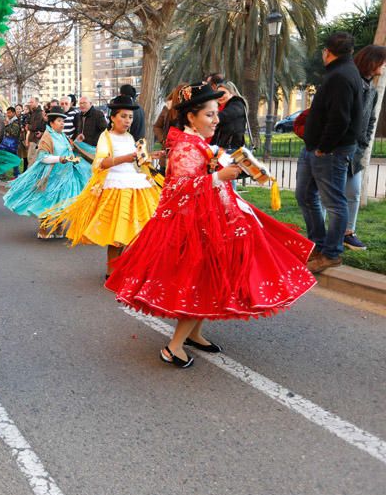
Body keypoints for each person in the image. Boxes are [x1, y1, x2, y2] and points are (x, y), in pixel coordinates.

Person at [105, 82, 316, 368]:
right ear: (191, 116)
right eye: (209, 115)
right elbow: (177, 189)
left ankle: (195, 334)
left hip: (214, 219)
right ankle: (173, 347)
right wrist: (219, 176)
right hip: (193, 226)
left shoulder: (198, 143)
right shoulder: (183, 148)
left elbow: (209, 168)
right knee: (201, 281)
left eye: (217, 114)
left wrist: (231, 167)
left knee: (213, 278)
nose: (216, 120)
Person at [43, 95, 162, 276]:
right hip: (114, 187)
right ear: (113, 117)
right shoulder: (106, 137)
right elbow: (101, 163)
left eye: (130, 117)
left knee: (136, 230)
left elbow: (136, 162)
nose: (127, 120)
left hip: (135, 186)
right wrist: (127, 157)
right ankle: (112, 272)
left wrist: (150, 156)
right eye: (123, 116)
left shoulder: (130, 137)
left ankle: (128, 269)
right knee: (117, 235)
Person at [297, 32, 364, 273]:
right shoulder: (342, 72)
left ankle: (331, 253)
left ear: (327, 52)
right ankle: (319, 244)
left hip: (329, 151)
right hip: (316, 148)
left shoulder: (341, 75)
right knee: (305, 195)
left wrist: (324, 148)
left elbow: (340, 119)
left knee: (334, 203)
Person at [3, 106, 92, 238]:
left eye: (63, 121)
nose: (62, 123)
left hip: (65, 176)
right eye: (59, 121)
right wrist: (59, 159)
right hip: (51, 177)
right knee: (47, 202)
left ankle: (58, 226)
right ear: (51, 123)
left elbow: (70, 149)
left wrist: (77, 141)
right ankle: (43, 229)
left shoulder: (63, 136)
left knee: (63, 202)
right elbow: (42, 158)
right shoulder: (47, 137)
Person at [344, 45, 386, 251]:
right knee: (328, 195)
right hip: (339, 149)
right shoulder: (350, 83)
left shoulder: (371, 89)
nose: (384, 66)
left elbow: (370, 121)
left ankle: (348, 233)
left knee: (354, 193)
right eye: (382, 61)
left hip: (356, 151)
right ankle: (323, 236)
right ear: (372, 61)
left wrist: (365, 141)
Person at [212, 80, 249, 152]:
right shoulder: (222, 107)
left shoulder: (237, 103)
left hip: (231, 149)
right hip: (224, 148)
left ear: (232, 93)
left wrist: (207, 118)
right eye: (218, 93)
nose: (220, 96)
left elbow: (225, 115)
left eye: (224, 93)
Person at [26, 96, 46, 165]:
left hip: (36, 139)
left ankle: (30, 175)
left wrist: (28, 126)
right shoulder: (33, 112)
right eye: (30, 102)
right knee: (30, 158)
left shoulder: (39, 113)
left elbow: (36, 127)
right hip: (32, 139)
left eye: (32, 102)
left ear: (37, 102)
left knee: (32, 160)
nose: (30, 104)